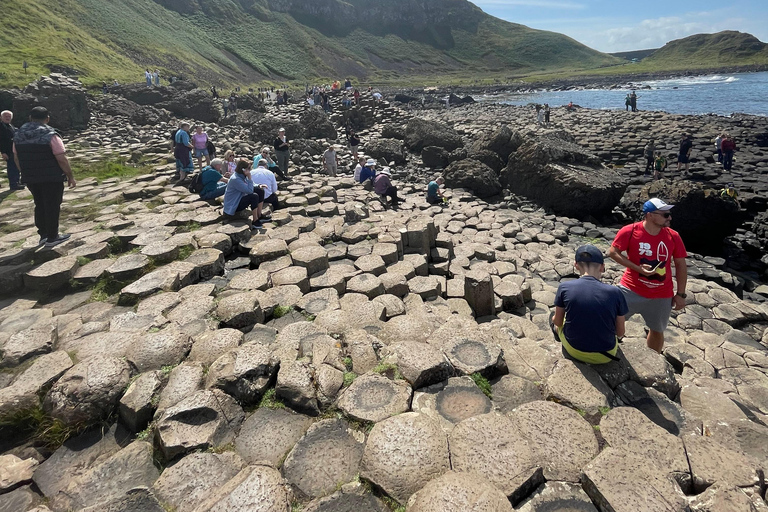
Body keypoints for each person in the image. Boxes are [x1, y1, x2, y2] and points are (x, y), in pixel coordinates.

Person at [607, 198, 688, 353]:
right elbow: (613, 252)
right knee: (612, 322)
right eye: (665, 215)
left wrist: (681, 294)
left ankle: (654, 358)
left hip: (661, 295)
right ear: (650, 215)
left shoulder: (673, 236)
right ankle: (608, 350)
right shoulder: (630, 231)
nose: (669, 218)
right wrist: (637, 268)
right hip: (630, 289)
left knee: (657, 330)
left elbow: (681, 265)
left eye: (669, 214)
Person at [551, 245, 628, 364]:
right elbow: (620, 332)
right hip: (606, 355)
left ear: (576, 265)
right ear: (602, 267)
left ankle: (559, 336)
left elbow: (558, 322)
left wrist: (554, 319)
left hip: (575, 350)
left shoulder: (564, 287)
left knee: (554, 316)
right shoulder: (615, 292)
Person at [12, 106, 76, 247]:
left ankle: (43, 235)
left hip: (31, 177)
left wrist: (24, 172)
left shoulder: (18, 135)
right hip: (51, 176)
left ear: (30, 118)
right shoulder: (50, 134)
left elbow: (16, 158)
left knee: (39, 204)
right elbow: (61, 158)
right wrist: (70, 175)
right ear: (47, 118)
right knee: (52, 205)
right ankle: (53, 237)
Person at [223, 160, 268, 229]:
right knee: (253, 196)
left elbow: (251, 185)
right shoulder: (236, 179)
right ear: (243, 169)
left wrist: (259, 186)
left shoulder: (241, 176)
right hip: (233, 205)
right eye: (249, 168)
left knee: (260, 191)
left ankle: (259, 215)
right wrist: (249, 177)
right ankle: (255, 220)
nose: (250, 170)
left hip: (239, 198)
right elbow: (249, 191)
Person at [1, 110, 23, 190]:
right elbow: (1, 140)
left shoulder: (10, 126)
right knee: (12, 168)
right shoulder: (1, 127)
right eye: (6, 116)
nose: (8, 118)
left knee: (16, 166)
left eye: (9, 116)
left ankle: (17, 182)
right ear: (1, 117)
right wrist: (3, 152)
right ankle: (13, 184)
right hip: (8, 151)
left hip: (14, 150)